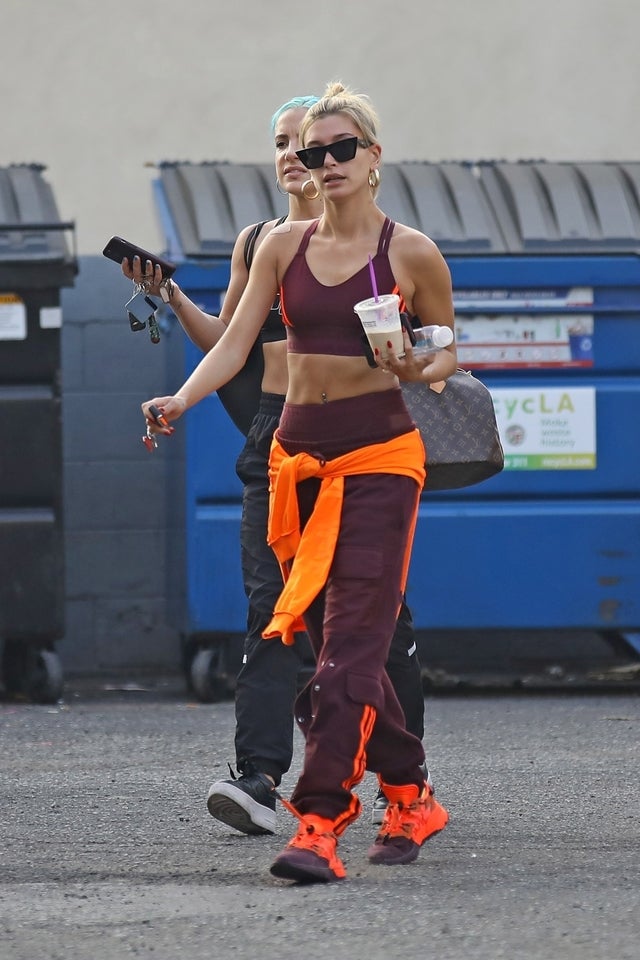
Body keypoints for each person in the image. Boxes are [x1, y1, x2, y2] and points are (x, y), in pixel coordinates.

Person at [128, 94, 426, 838]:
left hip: (364, 442)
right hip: (277, 437)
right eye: (286, 144)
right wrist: (167, 300)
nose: (302, 157)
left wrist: (418, 361)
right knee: (274, 613)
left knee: (374, 626)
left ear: (355, 156)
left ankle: (402, 782)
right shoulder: (264, 243)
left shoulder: (384, 247)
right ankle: (259, 777)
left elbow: (425, 343)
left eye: (320, 146)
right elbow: (228, 339)